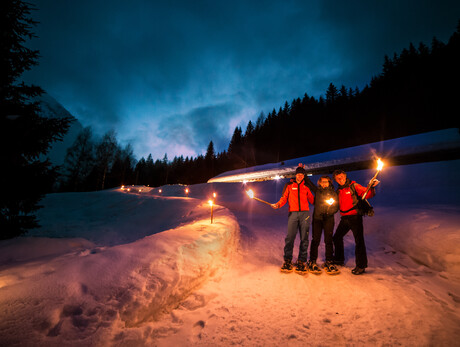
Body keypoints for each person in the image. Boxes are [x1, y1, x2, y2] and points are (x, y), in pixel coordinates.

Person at [332, 170, 379, 275]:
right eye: (338, 178)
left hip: (355, 217)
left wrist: (371, 186)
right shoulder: (338, 191)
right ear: (335, 180)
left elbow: (367, 194)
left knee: (359, 241)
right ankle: (339, 259)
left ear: (345, 176)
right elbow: (335, 203)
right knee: (336, 238)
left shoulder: (354, 185)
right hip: (344, 218)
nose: (340, 179)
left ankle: (361, 266)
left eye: (342, 177)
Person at [271, 165, 314, 274]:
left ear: (304, 176)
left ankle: (301, 261)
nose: (300, 176)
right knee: (290, 237)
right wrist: (278, 205)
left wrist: (323, 203)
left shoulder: (306, 187)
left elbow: (313, 200)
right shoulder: (289, 185)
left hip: (305, 214)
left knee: (304, 238)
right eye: (298, 174)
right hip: (293, 214)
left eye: (302, 174)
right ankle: (288, 260)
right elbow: (284, 198)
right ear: (296, 175)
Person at [304, 175, 339, 275]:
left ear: (329, 183)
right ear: (319, 183)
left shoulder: (333, 193)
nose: (324, 183)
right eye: (322, 182)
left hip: (329, 219)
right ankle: (312, 261)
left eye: (326, 182)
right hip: (317, 219)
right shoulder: (317, 191)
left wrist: (329, 211)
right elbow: (309, 183)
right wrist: (303, 172)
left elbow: (336, 206)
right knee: (316, 240)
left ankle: (329, 261)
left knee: (328, 240)